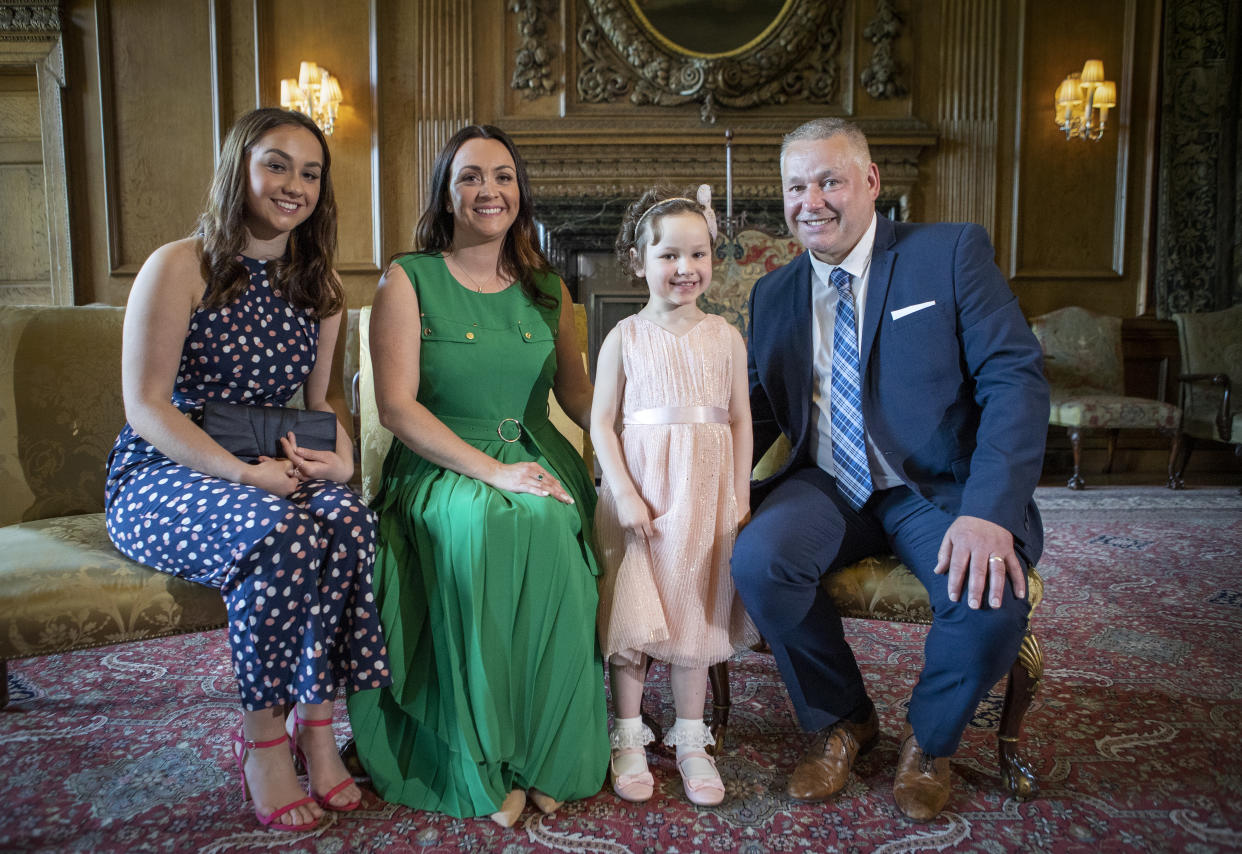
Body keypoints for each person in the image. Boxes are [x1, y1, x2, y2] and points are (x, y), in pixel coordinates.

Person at [732, 117, 1049, 821]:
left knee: (991, 599)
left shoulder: (948, 253)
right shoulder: (774, 294)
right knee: (759, 559)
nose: (809, 200)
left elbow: (1014, 379)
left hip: (935, 487)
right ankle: (842, 719)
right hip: (828, 485)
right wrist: (673, 482)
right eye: (794, 186)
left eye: (829, 180)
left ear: (872, 182)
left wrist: (990, 511)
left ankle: (930, 743)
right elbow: (752, 413)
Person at [105, 107, 391, 832]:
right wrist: (242, 475)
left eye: (310, 171)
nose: (294, 184)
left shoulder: (320, 286)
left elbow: (322, 398)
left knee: (351, 520)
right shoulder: (181, 264)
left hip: (271, 459)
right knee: (280, 532)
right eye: (276, 163)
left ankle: (317, 728)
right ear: (240, 167)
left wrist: (343, 457)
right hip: (164, 473)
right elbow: (146, 407)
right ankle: (264, 739)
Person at [345, 124, 608, 827]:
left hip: (537, 453)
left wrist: (640, 443)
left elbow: (579, 395)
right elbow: (397, 408)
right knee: (490, 523)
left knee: (555, 525)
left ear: (520, 194)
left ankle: (547, 756)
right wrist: (495, 473)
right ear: (446, 191)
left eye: (502, 176)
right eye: (470, 176)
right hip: (441, 463)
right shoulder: (409, 278)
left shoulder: (549, 289)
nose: (488, 190)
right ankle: (483, 761)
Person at [592, 188, 759, 807]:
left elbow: (741, 419)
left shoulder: (726, 337)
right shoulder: (624, 337)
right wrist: (627, 496)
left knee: (694, 609)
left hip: (705, 495)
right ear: (639, 261)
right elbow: (601, 424)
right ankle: (628, 736)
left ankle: (692, 738)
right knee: (635, 614)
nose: (684, 267)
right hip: (640, 497)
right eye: (668, 255)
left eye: (698, 254)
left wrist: (738, 493)